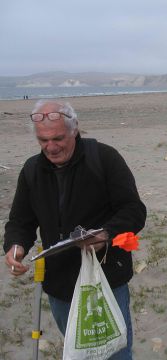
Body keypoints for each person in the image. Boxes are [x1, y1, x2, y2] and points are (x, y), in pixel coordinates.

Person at [3, 100, 147, 359]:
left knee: (114, 352)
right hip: (59, 282)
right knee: (79, 351)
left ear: (75, 129)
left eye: (58, 138)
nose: (51, 147)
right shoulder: (32, 170)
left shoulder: (104, 158)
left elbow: (133, 211)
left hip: (105, 278)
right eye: (43, 140)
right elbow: (20, 221)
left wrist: (105, 235)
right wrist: (16, 246)